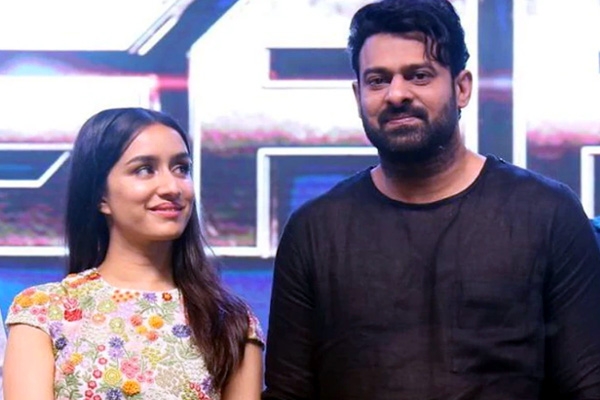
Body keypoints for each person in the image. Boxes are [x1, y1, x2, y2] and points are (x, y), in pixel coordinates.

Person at [262, 0, 600, 399]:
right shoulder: (314, 231)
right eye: (377, 80)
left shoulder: (548, 214)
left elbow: (586, 386)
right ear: (358, 95)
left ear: (461, 87)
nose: (396, 94)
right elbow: (288, 392)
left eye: (418, 75)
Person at [3, 107, 264, 400]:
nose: (171, 187)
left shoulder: (230, 321)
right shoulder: (44, 311)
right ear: (101, 196)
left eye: (181, 168)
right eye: (144, 169)